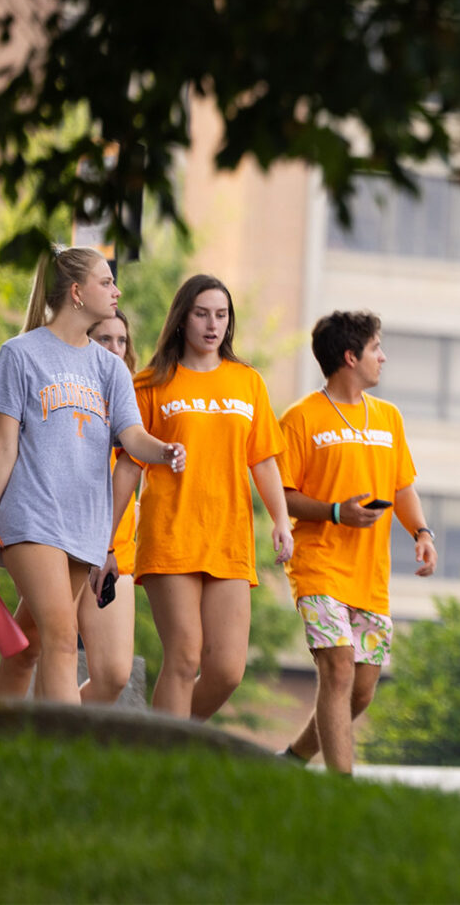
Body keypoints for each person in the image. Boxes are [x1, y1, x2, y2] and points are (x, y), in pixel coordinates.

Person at [0, 245, 185, 704]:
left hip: (84, 523)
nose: (116, 291)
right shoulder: (20, 354)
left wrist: (164, 450)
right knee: (63, 638)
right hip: (31, 517)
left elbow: (132, 436)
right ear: (77, 293)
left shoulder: (109, 369)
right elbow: (2, 446)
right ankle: (62, 764)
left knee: (30, 646)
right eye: (106, 282)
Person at [122, 275, 293, 720]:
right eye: (201, 313)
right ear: (182, 319)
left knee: (227, 670)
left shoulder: (247, 382)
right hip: (170, 533)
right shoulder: (150, 383)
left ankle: (168, 734)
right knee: (183, 656)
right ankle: (168, 765)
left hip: (229, 538)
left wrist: (281, 520)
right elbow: (128, 462)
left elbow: (264, 460)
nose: (212, 324)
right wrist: (107, 533)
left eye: (221, 315)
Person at [276, 311, 437, 774]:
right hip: (318, 565)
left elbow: (401, 485)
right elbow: (283, 495)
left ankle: (294, 758)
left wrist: (421, 532)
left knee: (362, 689)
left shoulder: (388, 418)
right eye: (376, 348)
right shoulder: (300, 419)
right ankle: (340, 790)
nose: (383, 357)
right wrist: (333, 512)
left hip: (370, 575)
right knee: (339, 670)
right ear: (351, 357)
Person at [0, 309, 147, 704]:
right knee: (47, 645)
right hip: (52, 532)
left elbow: (135, 460)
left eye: (121, 341)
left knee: (111, 673)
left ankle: (40, 737)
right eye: (104, 338)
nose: (114, 348)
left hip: (111, 548)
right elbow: (10, 454)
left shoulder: (125, 394)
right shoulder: (56, 379)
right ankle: (27, 748)